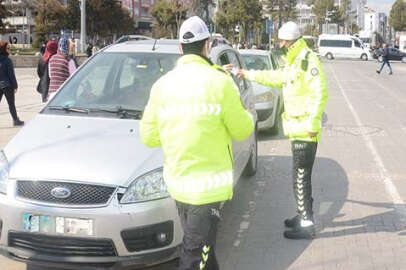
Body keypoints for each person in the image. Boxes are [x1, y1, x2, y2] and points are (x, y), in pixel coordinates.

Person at [140, 16, 254, 270]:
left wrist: (175, 131)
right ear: (208, 45)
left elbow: (148, 136)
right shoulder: (220, 83)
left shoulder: (162, 86)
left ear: (180, 48)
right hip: (208, 190)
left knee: (202, 250)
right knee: (194, 258)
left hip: (179, 186)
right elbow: (243, 129)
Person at [229, 21, 328, 239]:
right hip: (297, 128)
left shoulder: (306, 61)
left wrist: (312, 126)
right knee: (300, 177)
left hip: (305, 130)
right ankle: (303, 214)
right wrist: (245, 73)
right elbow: (274, 78)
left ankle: (307, 225)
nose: (281, 44)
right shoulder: (293, 61)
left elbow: (320, 94)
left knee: (300, 178)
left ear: (292, 41)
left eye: (283, 41)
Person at [0, 41, 24, 126]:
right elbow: (11, 75)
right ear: (3, 49)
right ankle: (15, 120)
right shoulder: (7, 60)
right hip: (7, 85)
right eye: (8, 48)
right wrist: (15, 86)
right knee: (11, 104)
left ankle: (16, 120)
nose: (9, 50)